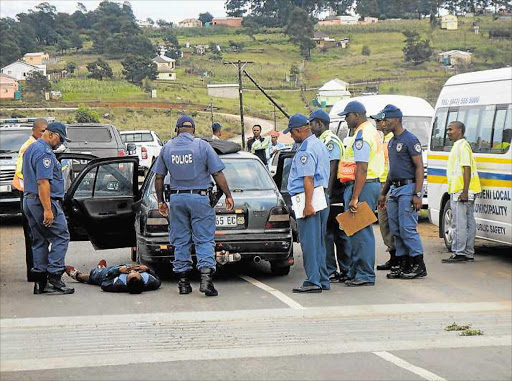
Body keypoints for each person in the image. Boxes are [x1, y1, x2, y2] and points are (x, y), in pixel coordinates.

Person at [153, 115, 234, 296]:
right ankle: (206, 281)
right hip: (200, 199)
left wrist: (160, 201)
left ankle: (183, 283)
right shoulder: (202, 146)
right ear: (194, 130)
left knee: (180, 240)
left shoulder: (167, 148)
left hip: (176, 199)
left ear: (176, 130)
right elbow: (217, 174)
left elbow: (159, 177)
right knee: (204, 239)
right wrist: (228, 195)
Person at [22, 122, 74, 295]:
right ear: (51, 135)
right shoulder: (44, 152)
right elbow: (43, 182)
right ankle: (54, 275)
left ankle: (40, 281)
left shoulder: (31, 148)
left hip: (30, 200)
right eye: (60, 139)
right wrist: (48, 210)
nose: (60, 143)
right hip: (43, 201)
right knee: (61, 236)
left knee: (39, 240)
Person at [337, 101, 384, 287]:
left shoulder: (362, 135)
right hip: (365, 185)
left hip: (362, 186)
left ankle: (365, 274)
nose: (346, 120)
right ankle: (357, 271)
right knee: (355, 232)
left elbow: (362, 168)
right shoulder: (369, 131)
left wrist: (355, 197)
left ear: (356, 115)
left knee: (361, 232)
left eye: (347, 116)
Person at [378, 105, 427, 279]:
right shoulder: (391, 142)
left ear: (397, 119)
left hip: (408, 188)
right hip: (394, 189)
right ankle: (404, 263)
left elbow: (419, 167)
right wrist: (384, 192)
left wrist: (417, 194)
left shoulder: (410, 139)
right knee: (395, 229)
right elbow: (392, 171)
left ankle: (418, 264)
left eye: (386, 120)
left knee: (407, 228)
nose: (384, 123)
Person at [284, 114, 330, 293]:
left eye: (292, 133)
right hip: (321, 195)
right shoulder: (319, 144)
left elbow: (308, 178)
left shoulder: (305, 149)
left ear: (299, 130)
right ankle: (322, 278)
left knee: (309, 243)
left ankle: (313, 280)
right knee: (319, 242)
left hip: (308, 197)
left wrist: (307, 205)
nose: (291, 136)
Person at [308, 109, 350, 282]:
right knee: (328, 233)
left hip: (334, 193)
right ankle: (332, 269)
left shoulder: (330, 141)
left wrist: (327, 193)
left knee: (338, 233)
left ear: (319, 123)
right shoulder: (321, 140)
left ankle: (343, 269)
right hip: (330, 193)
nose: (310, 127)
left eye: (311, 123)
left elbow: (332, 168)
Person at [11, 118, 47, 282]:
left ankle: (37, 272)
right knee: (33, 235)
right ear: (35, 130)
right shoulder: (29, 147)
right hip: (29, 194)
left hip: (30, 193)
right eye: (42, 131)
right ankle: (35, 273)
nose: (44, 134)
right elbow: (21, 173)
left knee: (35, 235)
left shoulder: (36, 146)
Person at [442, 121, 482, 263]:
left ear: (459, 130)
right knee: (468, 222)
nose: (448, 132)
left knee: (459, 223)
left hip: (462, 191)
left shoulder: (462, 146)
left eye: (451, 129)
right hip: (464, 189)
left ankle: (460, 253)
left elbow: (467, 168)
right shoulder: (459, 145)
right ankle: (468, 252)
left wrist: (464, 191)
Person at [370, 110, 397, 271]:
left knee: (389, 222)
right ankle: (393, 254)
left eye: (379, 121)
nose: (378, 124)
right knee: (384, 223)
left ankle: (397, 256)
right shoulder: (381, 139)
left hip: (388, 186)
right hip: (381, 184)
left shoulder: (392, 140)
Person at [65, 260, 161, 293]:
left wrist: (118, 271)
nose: (131, 271)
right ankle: (101, 267)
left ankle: (77, 275)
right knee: (102, 270)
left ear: (126, 281)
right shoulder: (151, 282)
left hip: (110, 274)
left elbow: (104, 283)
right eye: (135, 272)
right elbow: (158, 279)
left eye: (130, 273)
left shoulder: (117, 285)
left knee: (94, 275)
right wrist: (147, 270)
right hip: (122, 267)